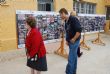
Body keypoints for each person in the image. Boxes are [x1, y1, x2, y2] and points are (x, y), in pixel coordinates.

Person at [59, 8, 82, 74]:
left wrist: (74, 39)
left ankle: (69, 72)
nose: (60, 16)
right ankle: (73, 72)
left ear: (63, 13)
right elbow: (68, 32)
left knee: (71, 59)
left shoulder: (73, 19)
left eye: (60, 15)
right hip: (71, 41)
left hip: (75, 42)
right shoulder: (66, 21)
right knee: (74, 57)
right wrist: (67, 40)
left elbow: (79, 30)